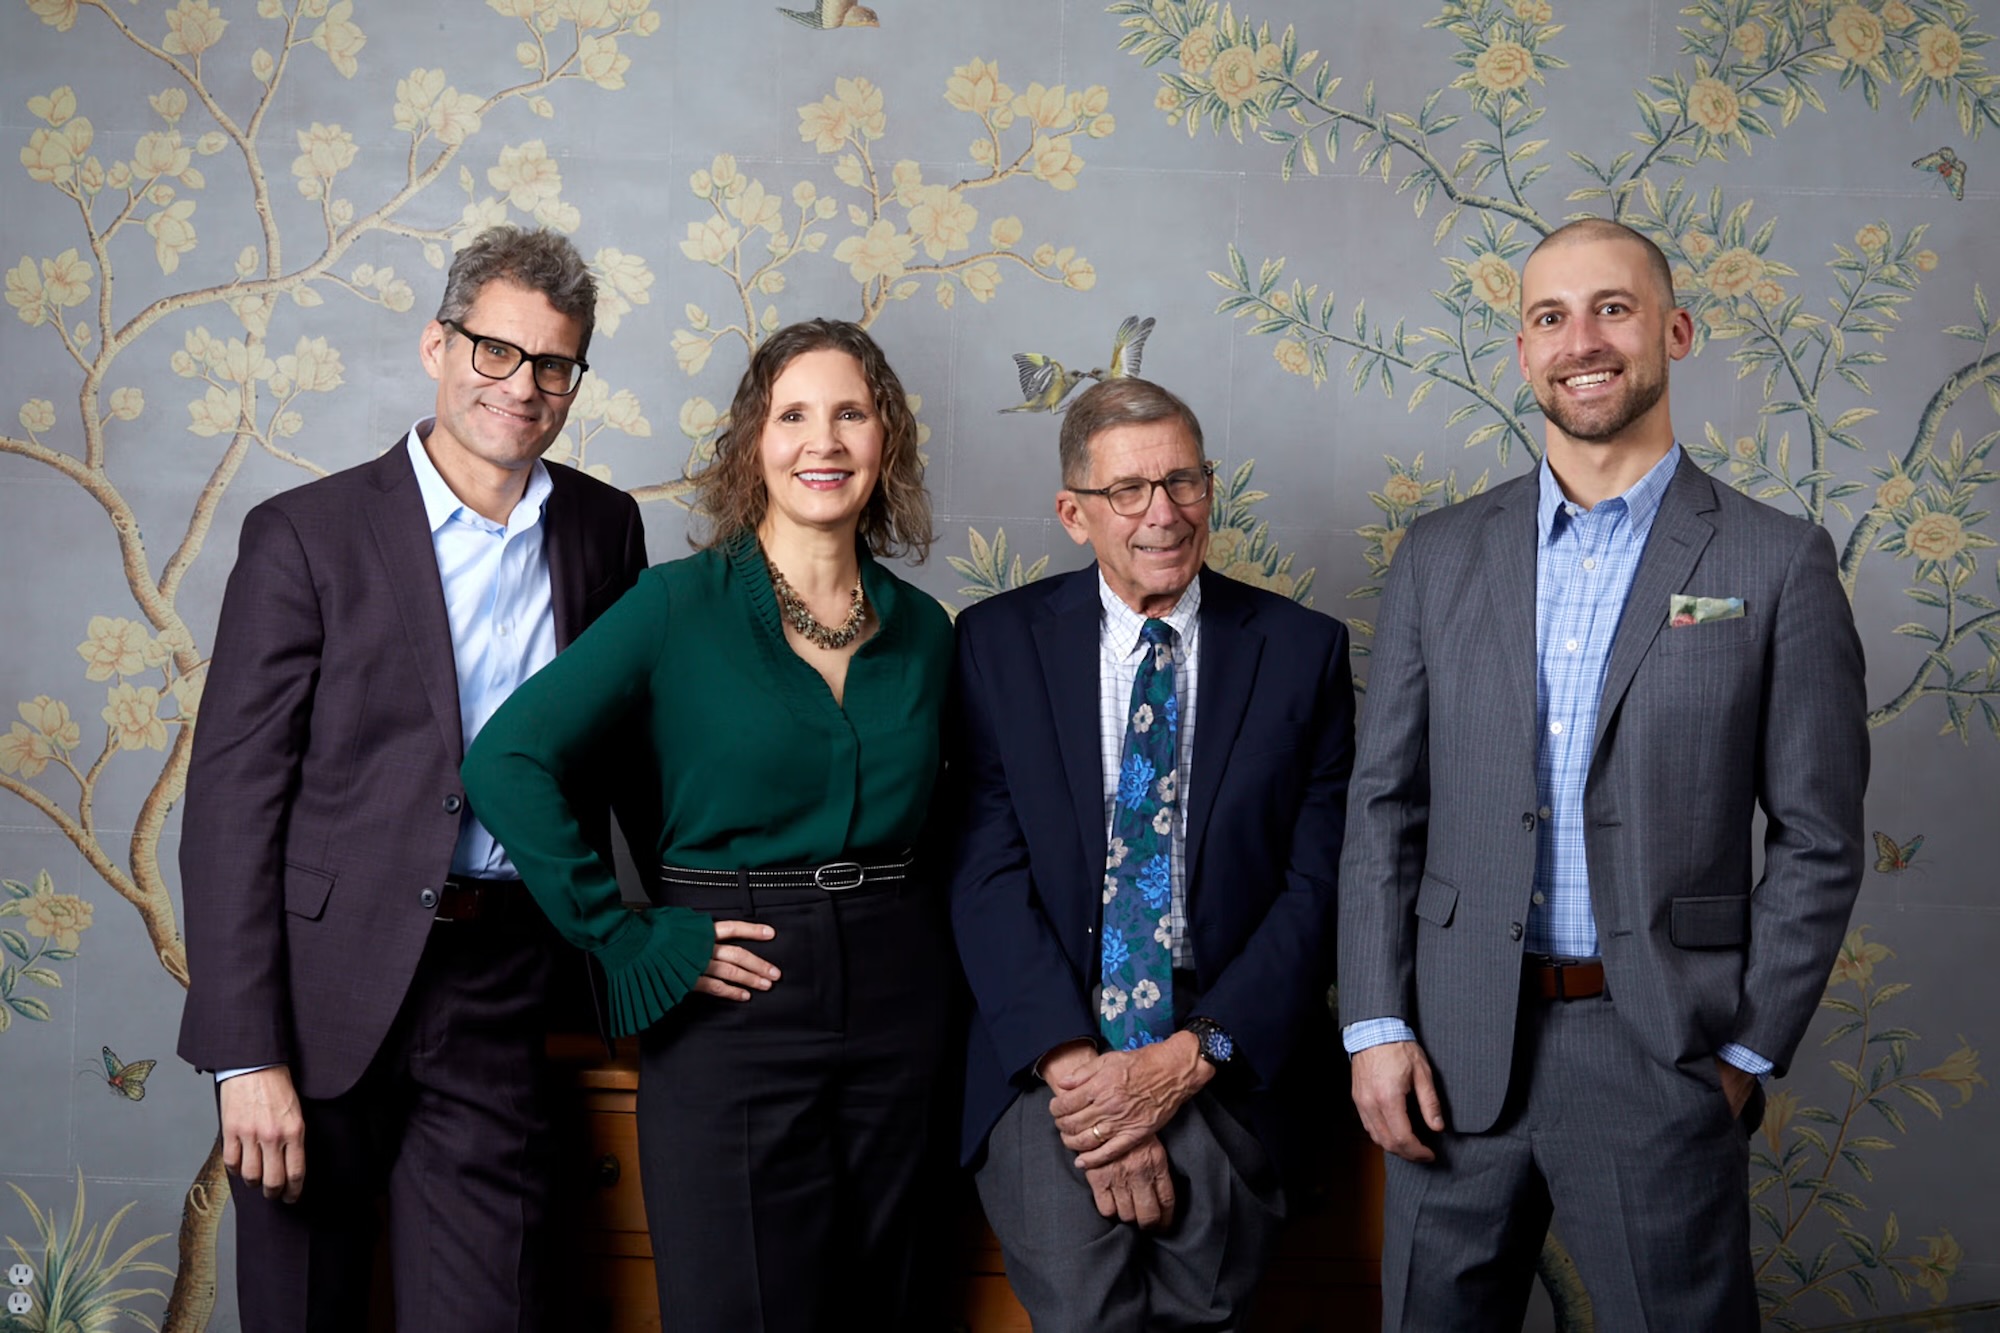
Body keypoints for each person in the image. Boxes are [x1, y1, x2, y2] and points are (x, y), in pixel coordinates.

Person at [1338, 217, 1870, 1330]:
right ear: (1523, 353)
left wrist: (1739, 1051)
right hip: (1449, 1058)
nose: (1580, 339)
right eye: (1549, 316)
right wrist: (1376, 1027)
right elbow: (1383, 805)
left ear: (1671, 329)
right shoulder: (1439, 554)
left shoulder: (1774, 561)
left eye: (1611, 308)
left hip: (1658, 1054)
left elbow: (1818, 834)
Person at [176, 225, 650, 1332]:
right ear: (437, 345)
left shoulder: (601, 531)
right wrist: (245, 1053)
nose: (521, 386)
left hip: (501, 982)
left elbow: (632, 761)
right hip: (314, 996)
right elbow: (232, 805)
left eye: (552, 364)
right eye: (494, 350)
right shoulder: (304, 534)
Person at [460, 318, 954, 1331]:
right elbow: (503, 762)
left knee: (893, 1307)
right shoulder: (674, 607)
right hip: (733, 1000)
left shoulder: (927, 631)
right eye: (793, 415)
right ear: (752, 442)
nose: (823, 441)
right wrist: (630, 935)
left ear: (885, 440)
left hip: (903, 1003)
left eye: (850, 413)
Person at [947, 376, 1355, 1329]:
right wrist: (1084, 1072)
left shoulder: (1302, 651)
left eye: (1184, 482)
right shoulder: (996, 645)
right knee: (1086, 1313)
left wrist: (1188, 1057)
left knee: (1203, 1310)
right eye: (1127, 491)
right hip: (1048, 1050)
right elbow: (983, 872)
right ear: (1073, 513)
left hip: (1224, 1048)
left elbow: (1318, 886)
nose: (1162, 515)